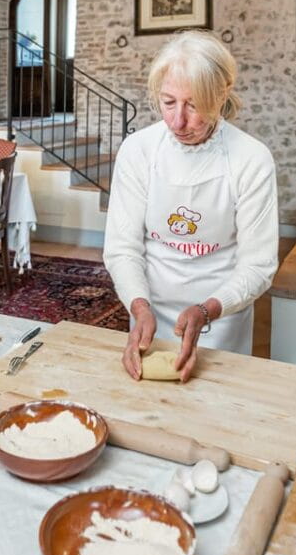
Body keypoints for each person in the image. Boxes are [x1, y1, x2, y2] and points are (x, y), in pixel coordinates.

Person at [103, 31, 279, 383]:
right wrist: (139, 307)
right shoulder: (139, 151)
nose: (178, 121)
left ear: (222, 95)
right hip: (148, 308)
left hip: (222, 315)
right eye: (168, 103)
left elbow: (258, 265)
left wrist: (207, 310)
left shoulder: (251, 159)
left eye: (194, 104)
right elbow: (122, 248)